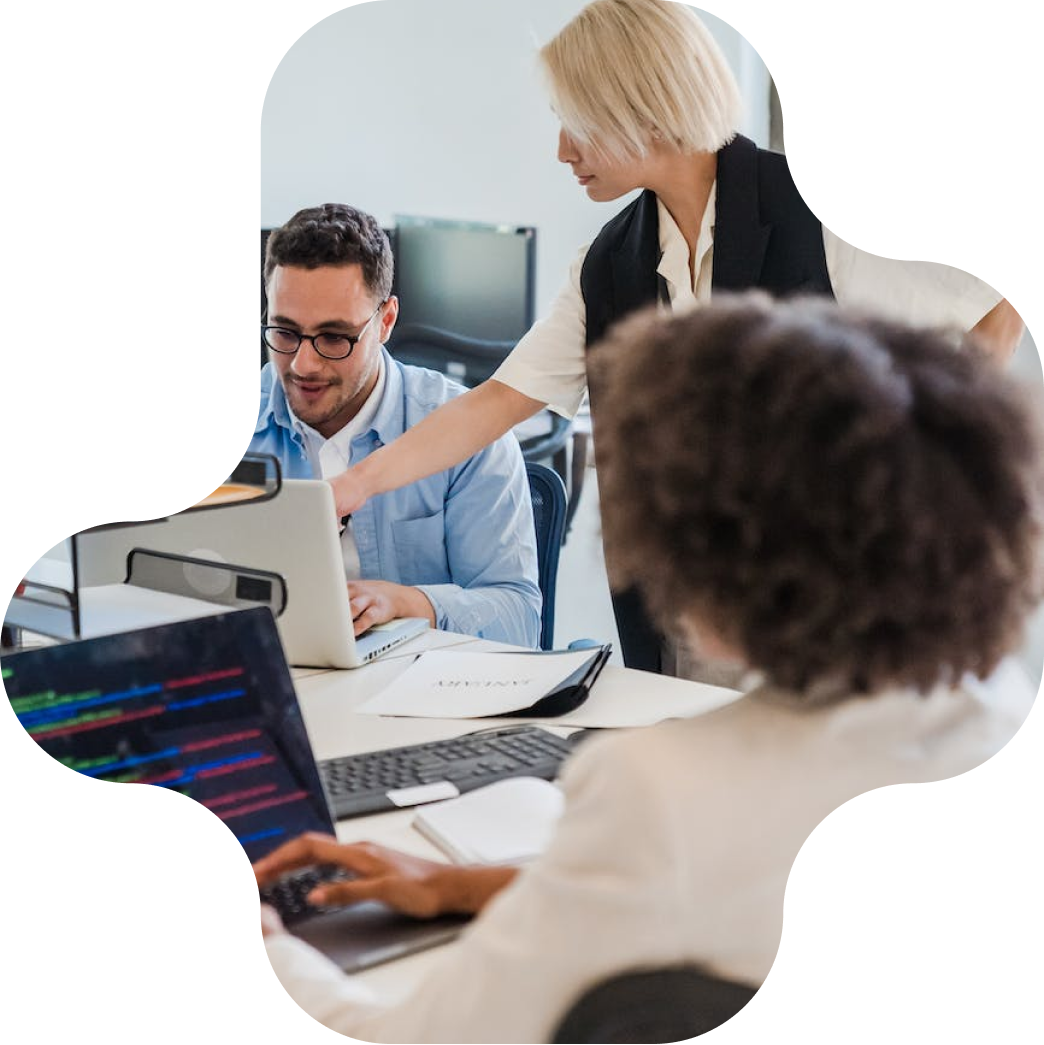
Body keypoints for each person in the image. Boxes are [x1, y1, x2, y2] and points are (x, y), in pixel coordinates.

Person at [256, 294, 1041, 1043]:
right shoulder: (1000, 709)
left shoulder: (659, 785)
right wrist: (475, 884)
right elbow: (732, 893)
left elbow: (396, 1033)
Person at [321, 0, 1025, 679]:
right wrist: (349, 485)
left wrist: (925, 485)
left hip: (833, 599)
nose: (562, 149)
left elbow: (991, 306)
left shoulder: (808, 212)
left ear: (641, 106)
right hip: (694, 605)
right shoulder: (610, 261)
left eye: (576, 123)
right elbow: (498, 401)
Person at [253, 202, 541, 648]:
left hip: (418, 694)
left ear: (385, 321)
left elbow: (519, 619)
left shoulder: (469, 433)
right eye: (285, 332)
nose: (303, 364)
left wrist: (410, 604)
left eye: (334, 337)